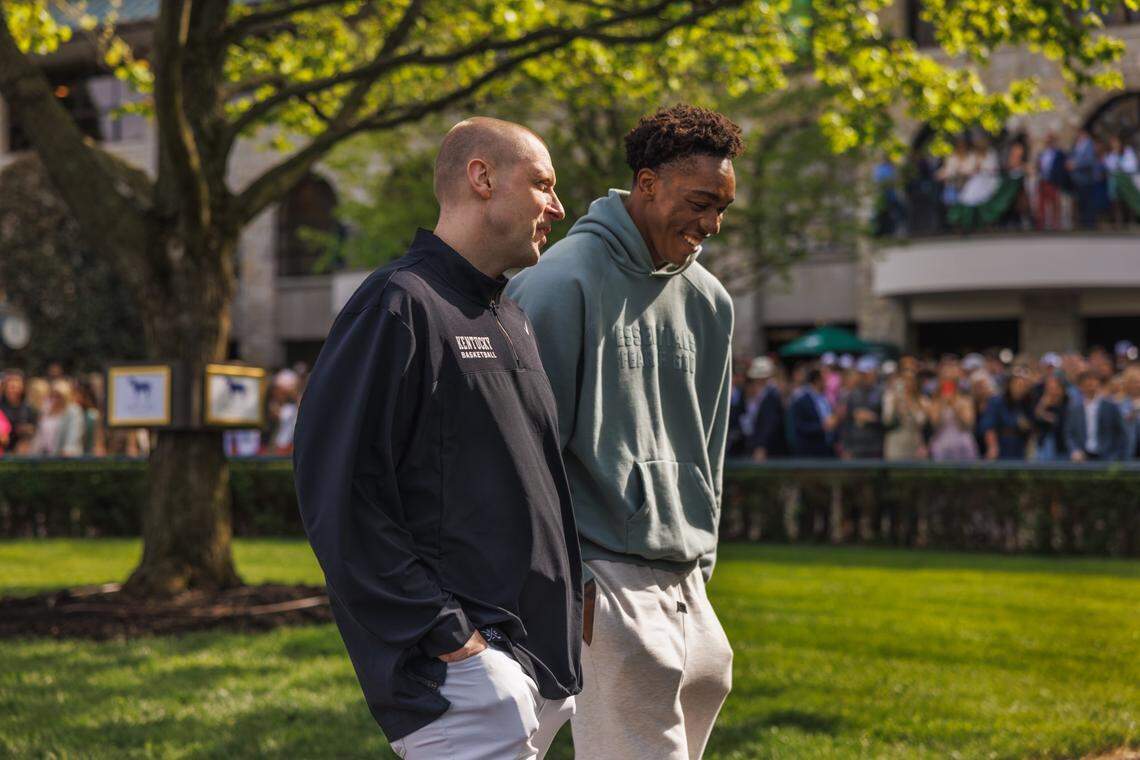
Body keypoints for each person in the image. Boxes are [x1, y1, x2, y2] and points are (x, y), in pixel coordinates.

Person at [293, 117, 581, 758]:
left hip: (536, 668)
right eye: (542, 184)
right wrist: (451, 639)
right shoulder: (399, 303)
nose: (557, 207)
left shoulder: (509, 313)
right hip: (465, 675)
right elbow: (338, 493)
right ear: (482, 177)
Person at [507, 104, 740, 760]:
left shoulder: (712, 302)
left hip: (687, 574)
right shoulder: (559, 283)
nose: (710, 225)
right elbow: (527, 449)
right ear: (647, 184)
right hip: (600, 574)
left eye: (722, 209)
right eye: (699, 202)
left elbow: (711, 441)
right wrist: (565, 576)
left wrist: (704, 557)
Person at [1065, 370, 1126, 461]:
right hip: (1082, 457)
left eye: (1093, 383)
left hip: (1106, 456)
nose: (1091, 386)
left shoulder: (1111, 407)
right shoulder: (1074, 409)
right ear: (1080, 387)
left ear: (1099, 384)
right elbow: (1069, 434)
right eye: (1087, 384)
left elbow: (1120, 434)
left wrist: (1114, 456)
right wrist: (1075, 450)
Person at [928, 360, 978, 461]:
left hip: (962, 444)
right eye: (945, 380)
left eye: (951, 381)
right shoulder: (935, 401)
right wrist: (942, 404)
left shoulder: (965, 400)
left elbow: (969, 423)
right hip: (942, 444)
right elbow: (934, 424)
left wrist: (955, 406)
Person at [741, 356, 788, 461]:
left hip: (770, 449)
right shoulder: (764, 393)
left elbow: (770, 423)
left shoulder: (772, 395)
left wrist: (761, 446)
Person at [980, 370, 1034, 460]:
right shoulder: (996, 401)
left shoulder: (1027, 403)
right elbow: (989, 427)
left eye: (1023, 386)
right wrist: (992, 447)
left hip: (1019, 448)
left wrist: (1026, 426)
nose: (1020, 388)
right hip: (1001, 445)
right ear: (1010, 385)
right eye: (1017, 384)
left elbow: (1032, 427)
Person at [838, 356, 884, 459]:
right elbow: (847, 422)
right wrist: (846, 447)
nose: (865, 376)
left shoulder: (882, 392)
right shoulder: (853, 394)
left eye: (868, 373)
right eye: (862, 373)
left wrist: (874, 418)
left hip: (875, 446)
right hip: (856, 447)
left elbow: (887, 420)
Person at [790, 368, 839, 458]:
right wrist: (822, 426)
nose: (827, 383)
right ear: (817, 381)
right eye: (824, 380)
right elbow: (800, 426)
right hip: (809, 452)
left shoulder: (825, 399)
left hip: (827, 451)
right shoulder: (801, 401)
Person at [29, 379, 84, 457]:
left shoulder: (74, 411)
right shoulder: (46, 410)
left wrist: (68, 449)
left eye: (58, 396)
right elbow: (39, 433)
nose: (55, 398)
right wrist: (33, 452)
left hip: (65, 457)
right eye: (52, 395)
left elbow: (74, 432)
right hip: (44, 455)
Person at [883, 368, 929, 460]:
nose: (907, 383)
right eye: (904, 380)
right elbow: (887, 421)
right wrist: (895, 405)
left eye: (910, 380)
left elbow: (921, 422)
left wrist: (911, 405)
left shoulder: (923, 400)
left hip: (915, 443)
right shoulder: (890, 397)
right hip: (895, 442)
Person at [0, 370, 38, 455]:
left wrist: (28, 429)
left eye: (16, 386)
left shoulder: (29, 408)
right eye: (10, 386)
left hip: (23, 452)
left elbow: (36, 427)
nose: (12, 389)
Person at [1035, 132, 1066, 230]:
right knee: (1041, 204)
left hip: (1053, 181)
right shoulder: (1042, 154)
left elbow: (1061, 168)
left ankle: (1055, 224)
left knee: (1055, 203)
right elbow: (1038, 167)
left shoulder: (1059, 154)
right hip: (1043, 180)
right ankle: (1041, 224)